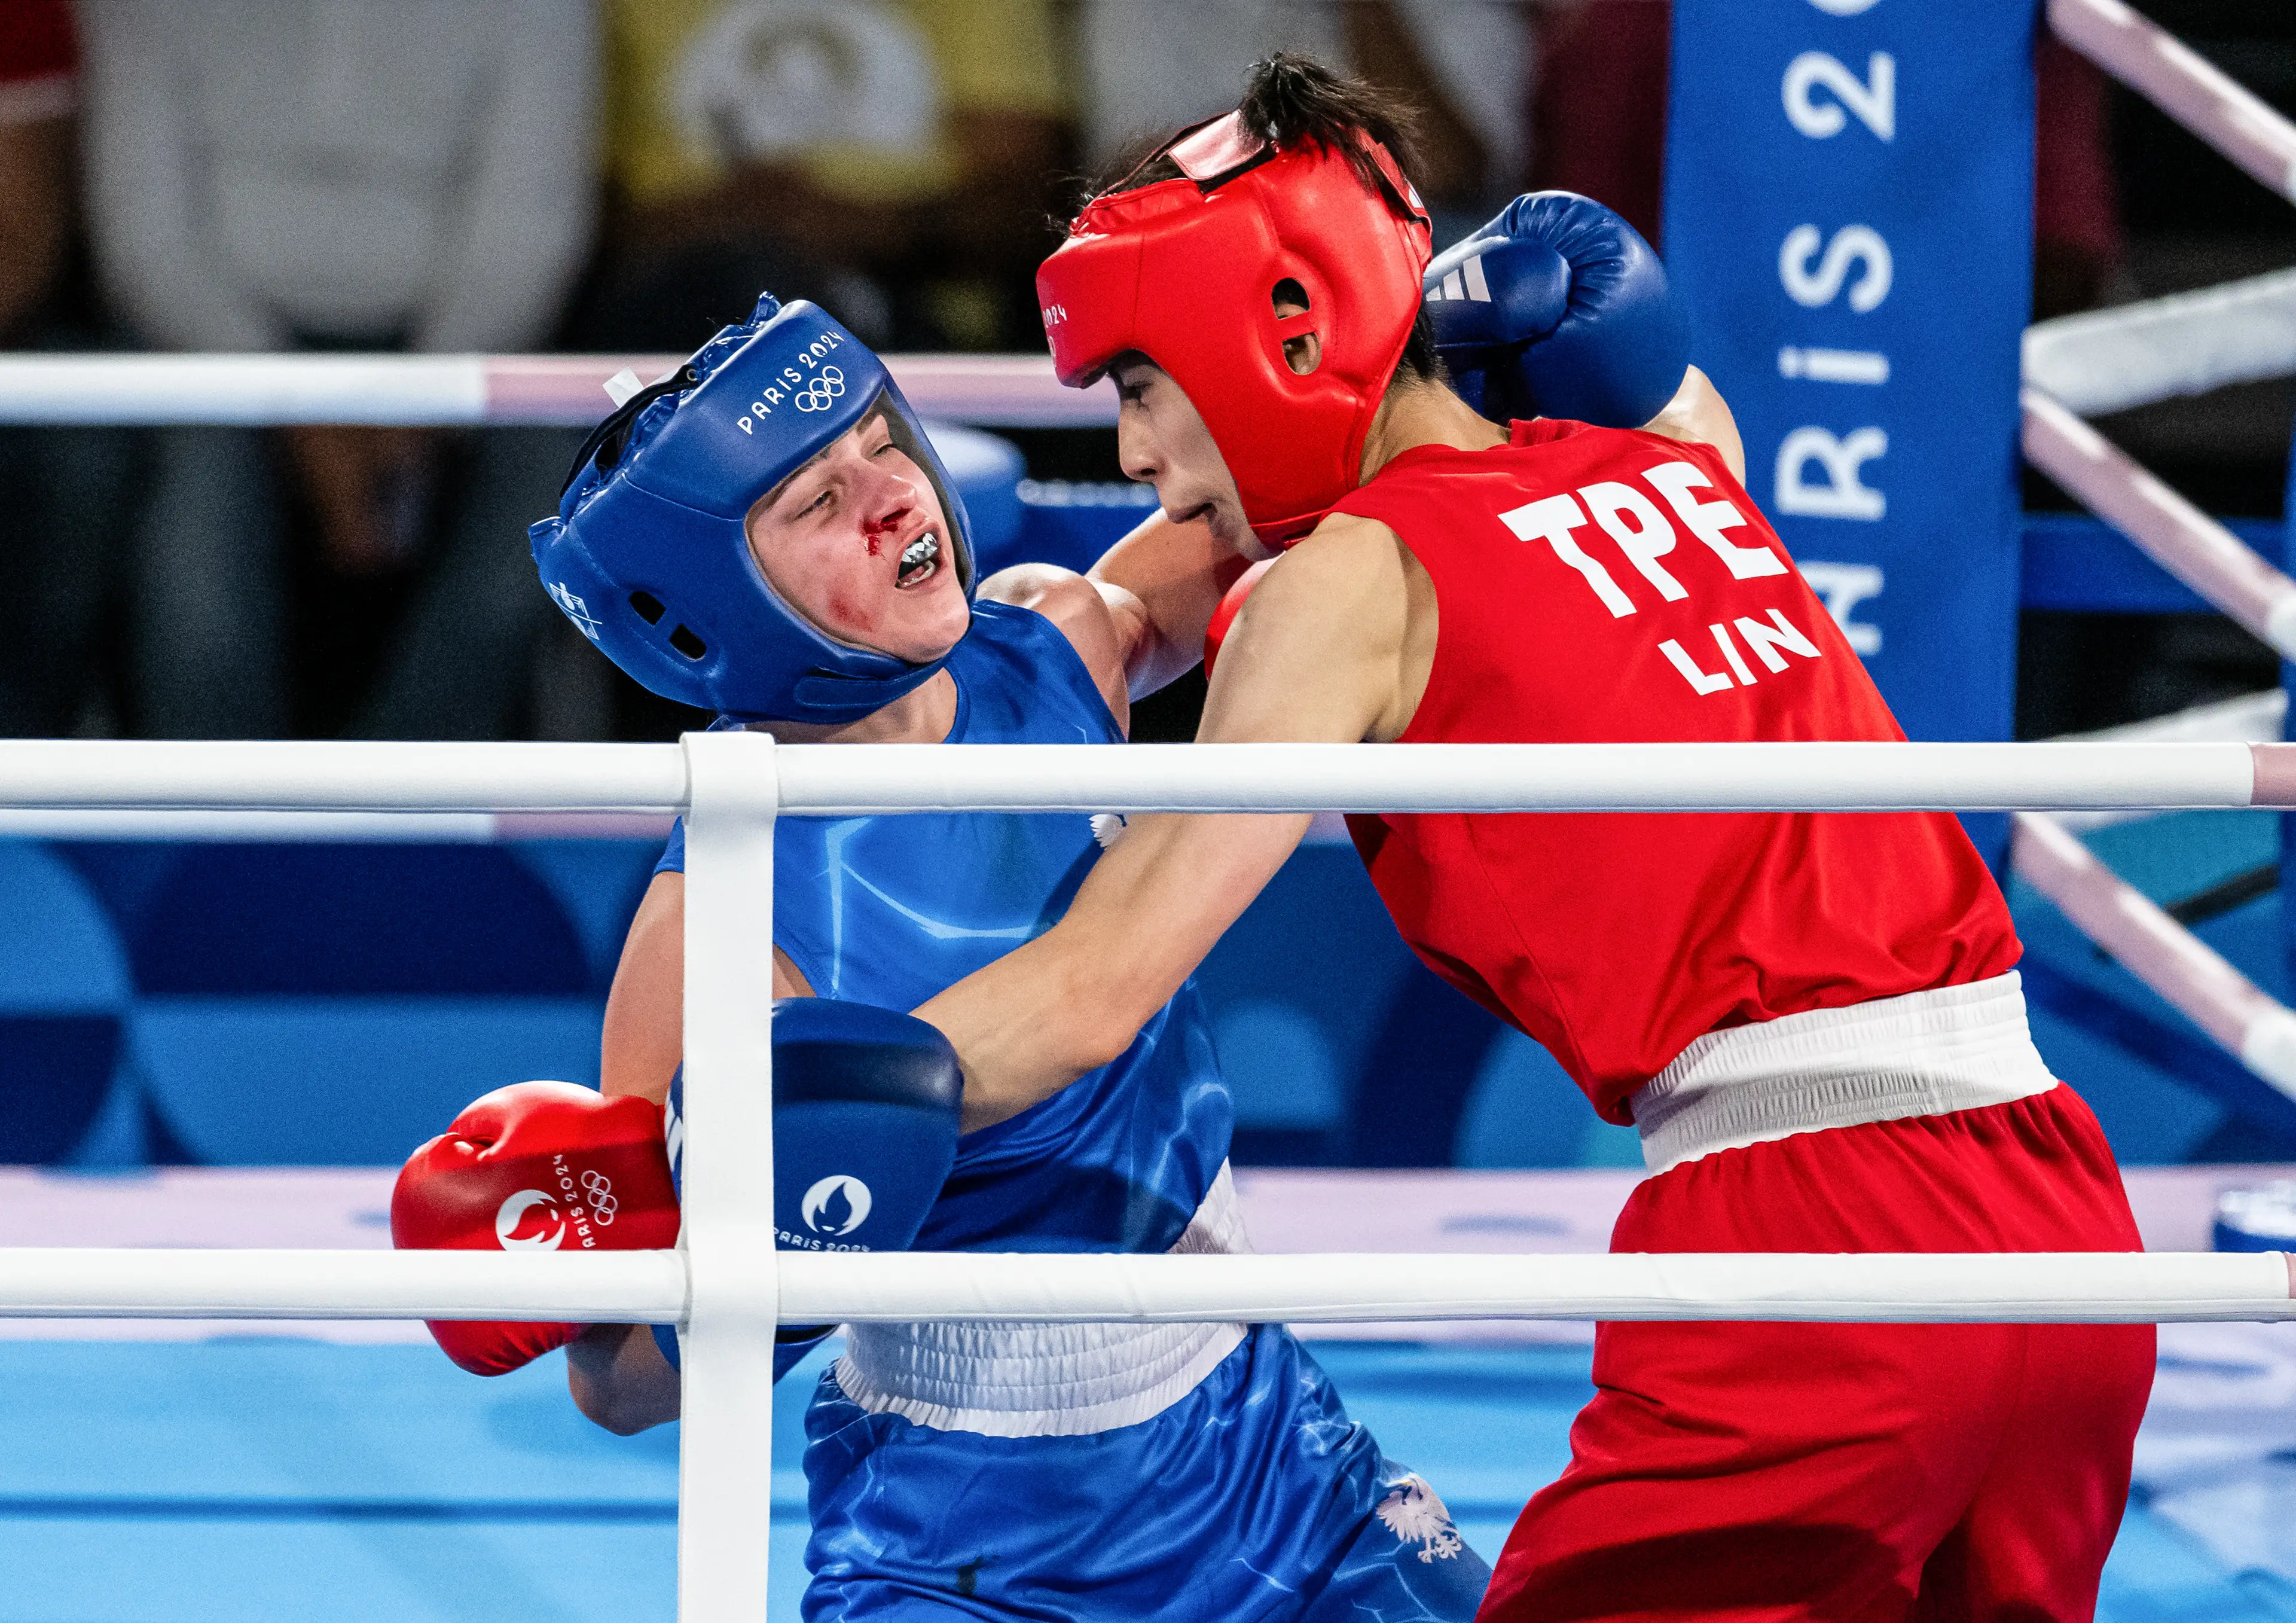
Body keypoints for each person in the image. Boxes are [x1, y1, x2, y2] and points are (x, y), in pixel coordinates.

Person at [913, 56, 2157, 1623]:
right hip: (2060, 1219)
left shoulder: (1345, 589)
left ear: (1278, 337)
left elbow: (1096, 990)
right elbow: (1316, 504)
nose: (1137, 456)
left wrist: (727, 1118)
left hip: (1814, 1258)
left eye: (1141, 388)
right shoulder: (1676, 464)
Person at [523, 292, 1493, 1621]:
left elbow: (1314, 506)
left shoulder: (1059, 638)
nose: (892, 498)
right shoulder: (719, 924)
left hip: (1267, 1450)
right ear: (705, 608)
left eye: (880, 441)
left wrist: (1434, 352)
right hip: (965, 1529)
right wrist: (792, 1271)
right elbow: (622, 1383)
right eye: (815, 502)